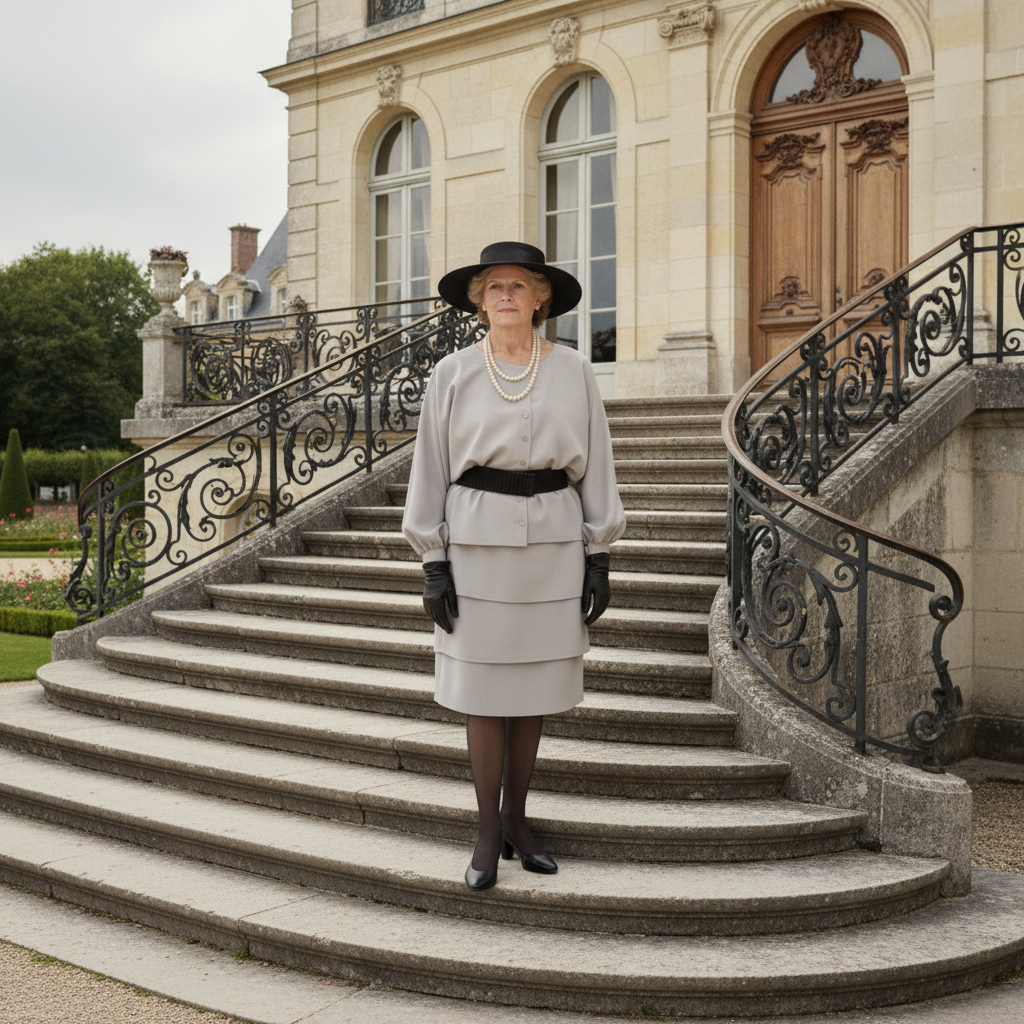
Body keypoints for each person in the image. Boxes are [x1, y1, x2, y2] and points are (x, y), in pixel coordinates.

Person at [401, 241, 626, 890]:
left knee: (531, 696)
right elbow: (431, 468)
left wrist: (599, 552)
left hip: (553, 548)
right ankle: (484, 831)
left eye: (518, 286)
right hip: (474, 550)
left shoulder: (576, 370)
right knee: (481, 695)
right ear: (479, 301)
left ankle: (518, 821)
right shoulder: (452, 372)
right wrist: (433, 560)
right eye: (493, 286)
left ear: (540, 299)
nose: (504, 295)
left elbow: (598, 462)